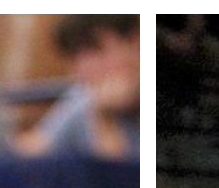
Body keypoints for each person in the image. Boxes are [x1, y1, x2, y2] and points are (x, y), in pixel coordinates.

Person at [25, 15, 139, 160]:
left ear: (137, 43)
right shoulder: (84, 96)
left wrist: (105, 120)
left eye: (97, 50)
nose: (84, 69)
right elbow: (34, 149)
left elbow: (121, 176)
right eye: (74, 58)